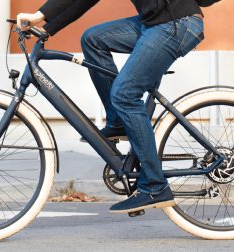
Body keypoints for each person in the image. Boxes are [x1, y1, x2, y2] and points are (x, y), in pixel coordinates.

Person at [17, 0, 204, 214]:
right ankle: (118, 123)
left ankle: (154, 185)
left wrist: (40, 14)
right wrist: (46, 28)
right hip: (155, 23)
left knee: (125, 95)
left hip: (175, 24)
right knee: (93, 39)